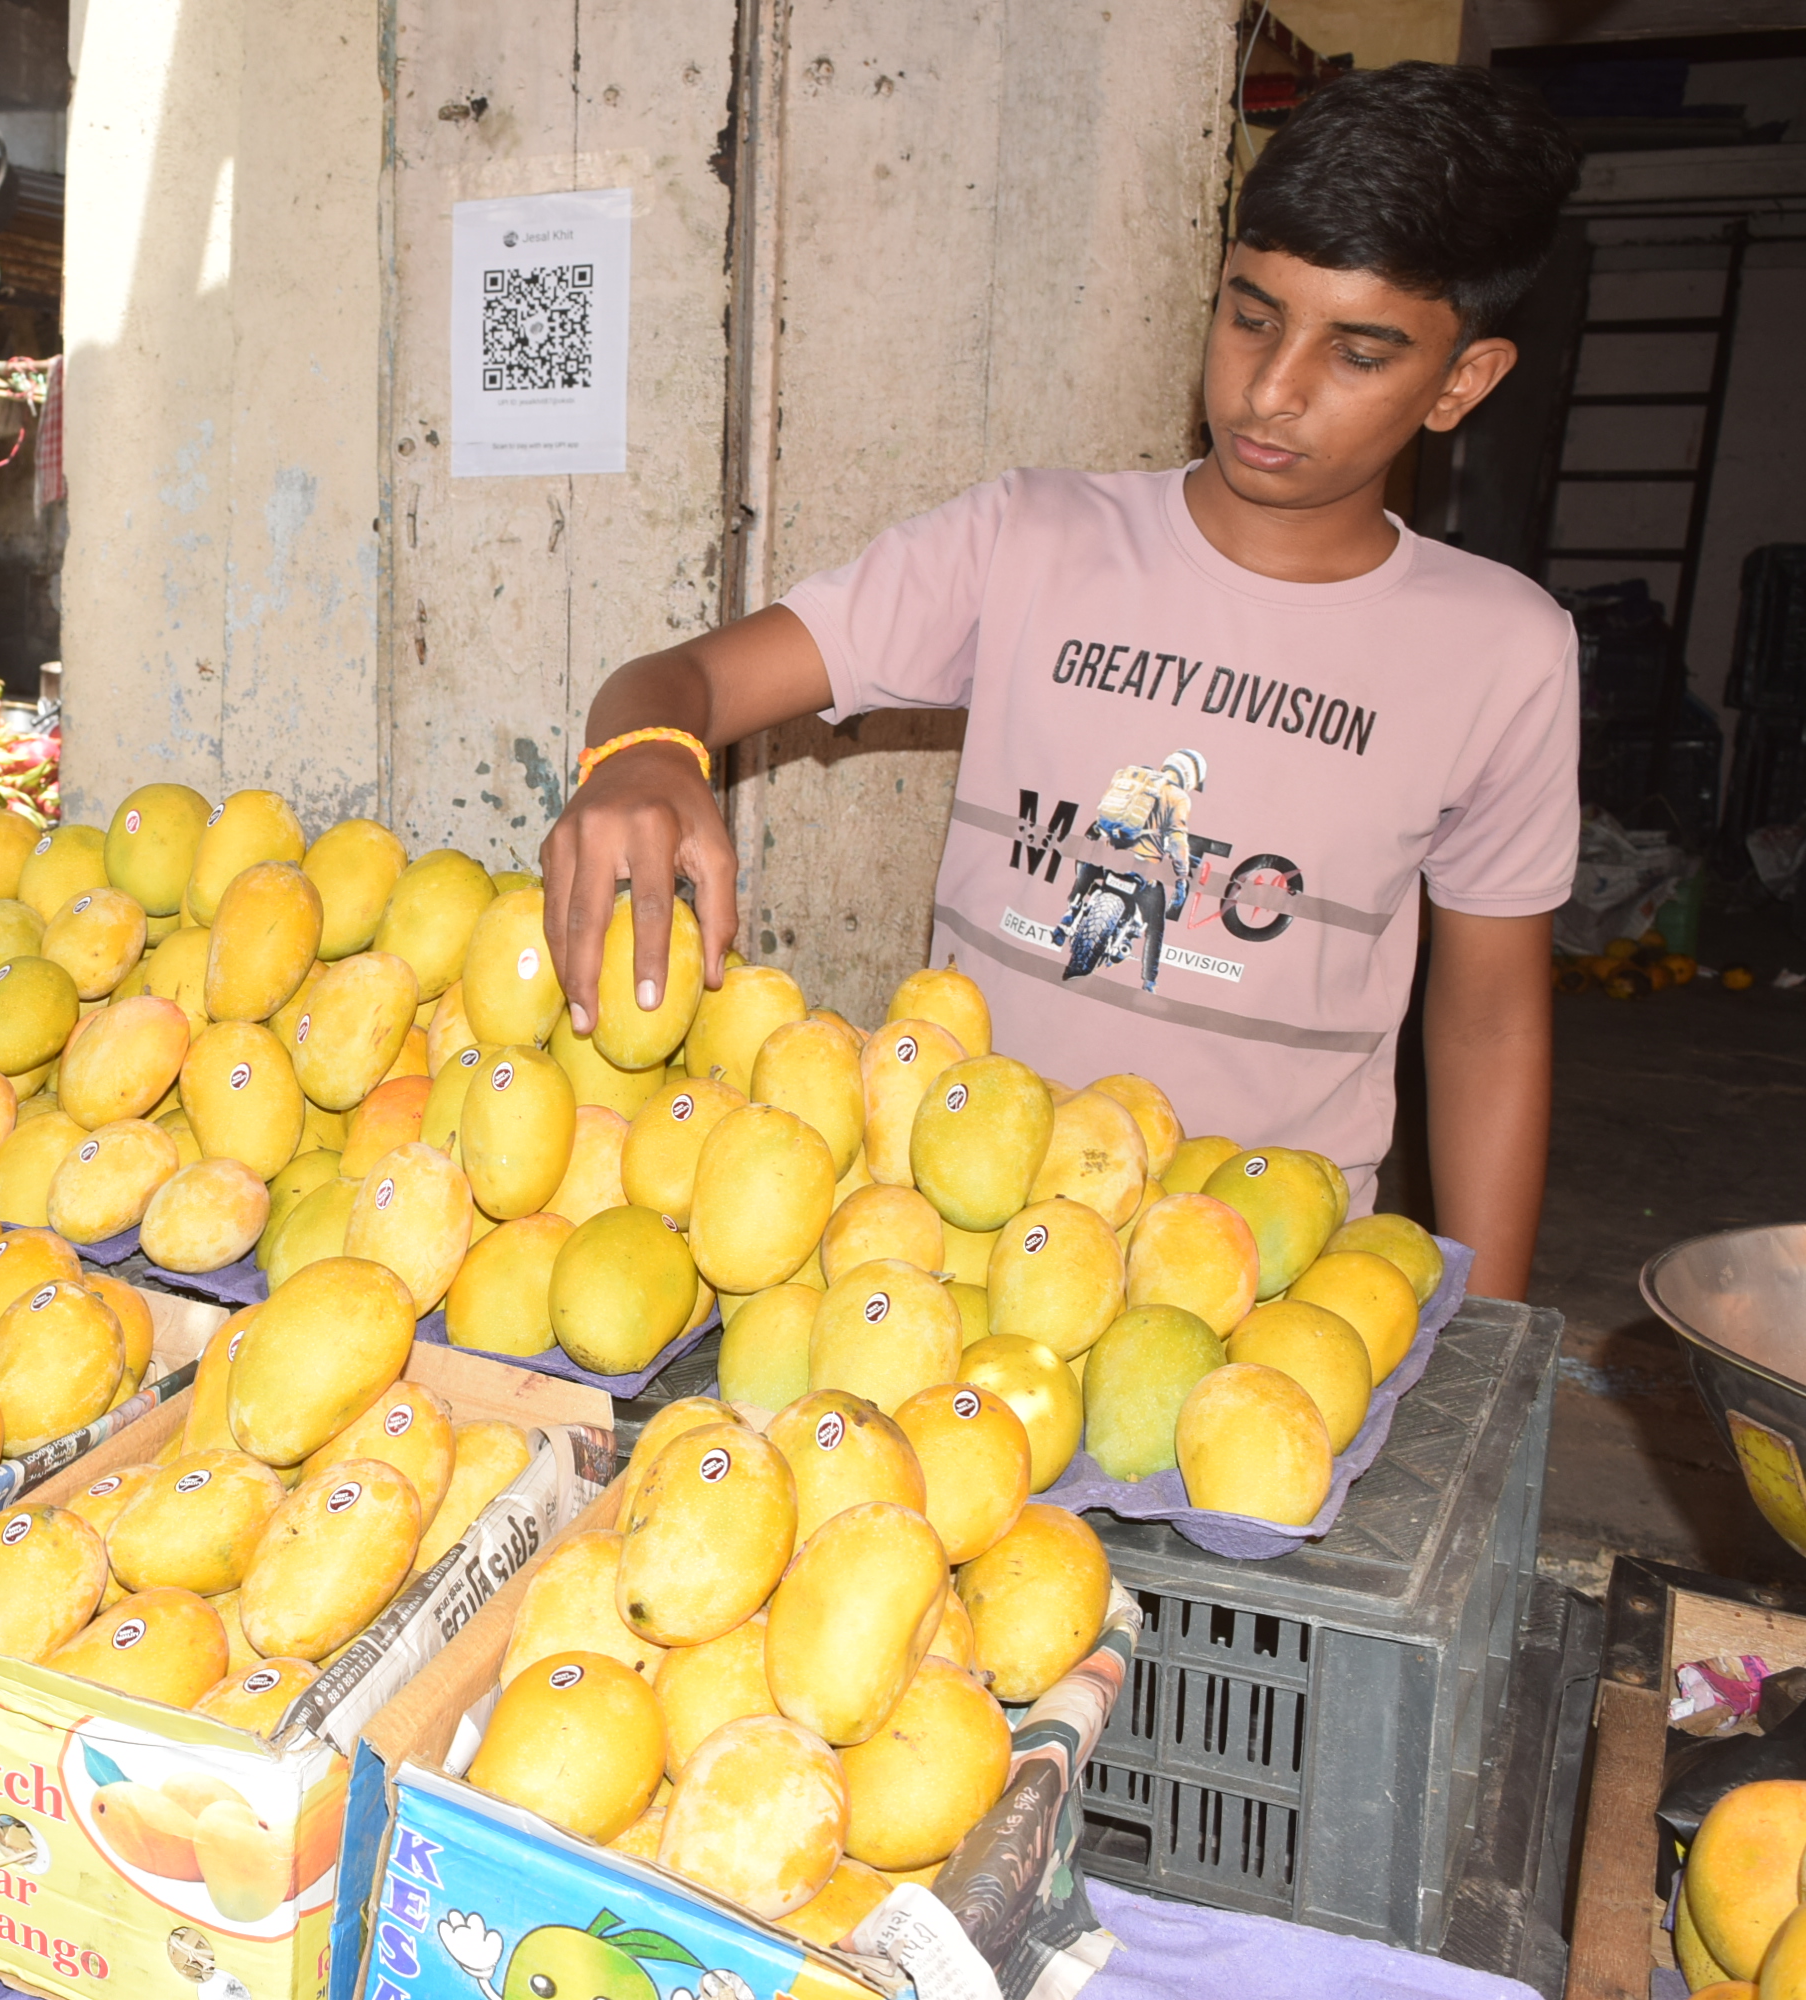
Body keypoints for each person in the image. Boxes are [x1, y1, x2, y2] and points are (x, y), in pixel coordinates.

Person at [538, 63, 1581, 1300]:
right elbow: (683, 678)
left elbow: (1490, 1019)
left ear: (1462, 380)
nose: (1272, 388)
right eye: (1251, 315)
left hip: (1264, 1280)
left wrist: (1495, 1338)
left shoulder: (1499, 649)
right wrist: (646, 752)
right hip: (948, 1246)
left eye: (1357, 353)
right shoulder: (1029, 540)